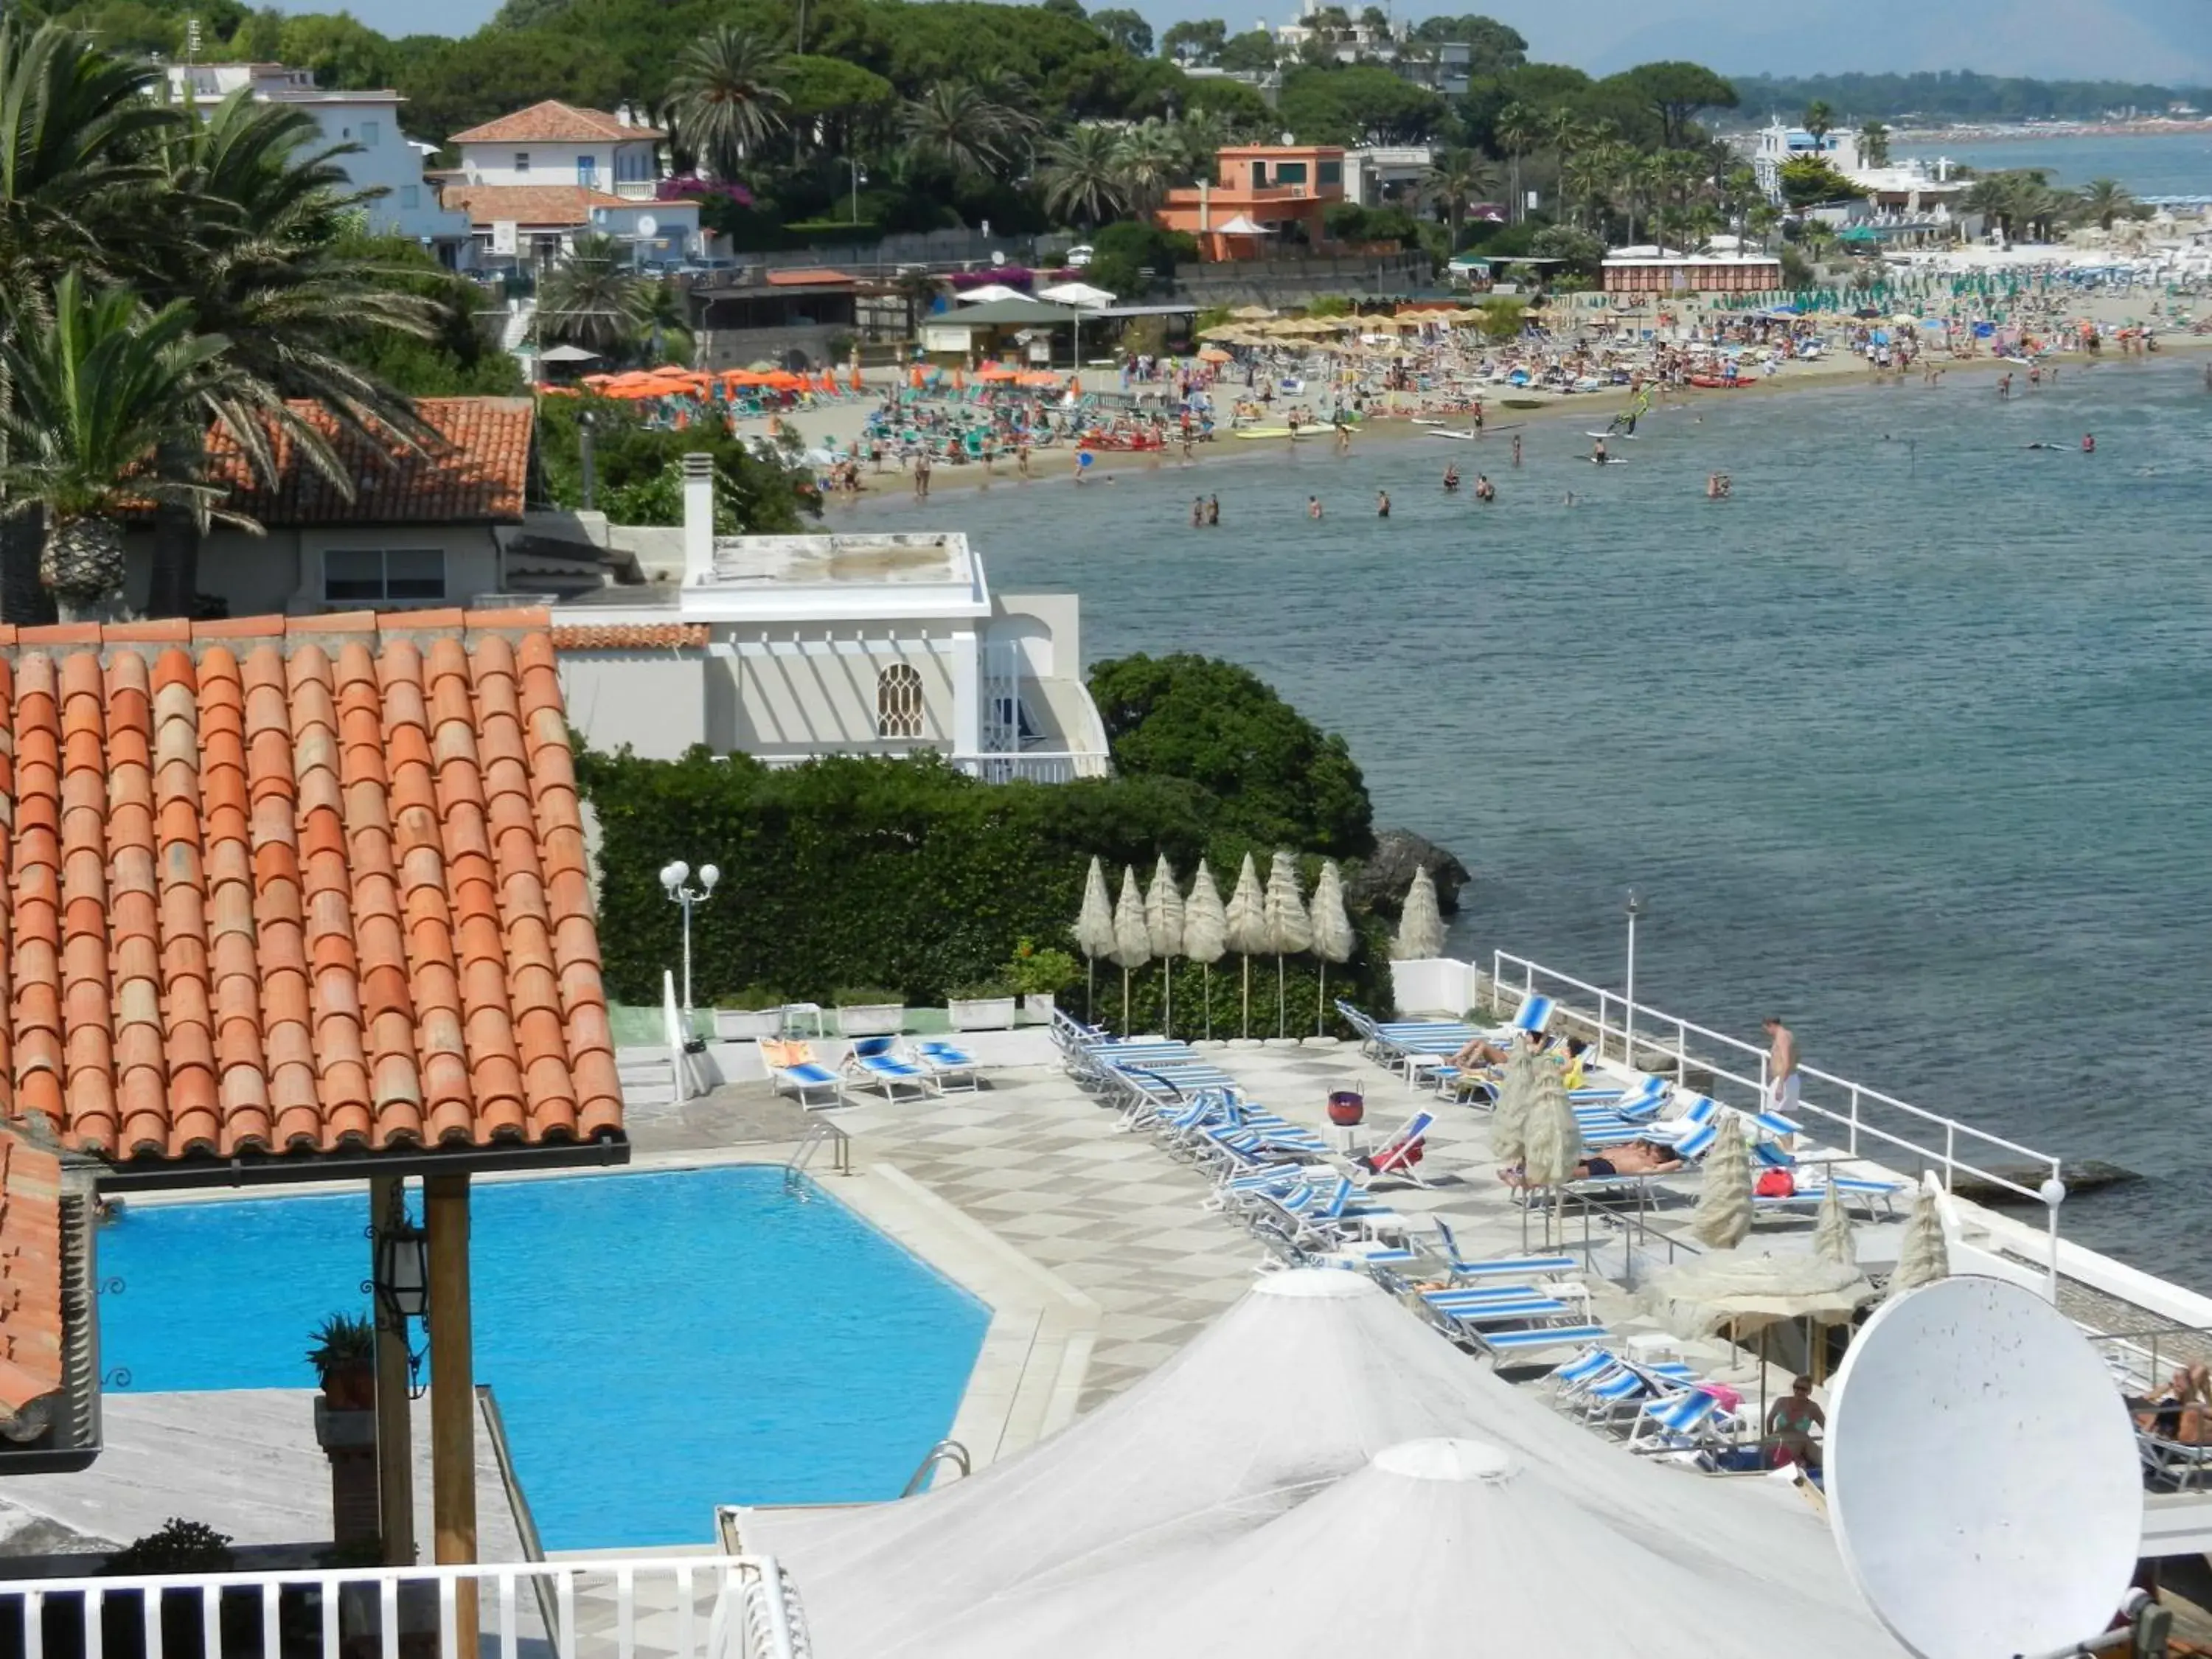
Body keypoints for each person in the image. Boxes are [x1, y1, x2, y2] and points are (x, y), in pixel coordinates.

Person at [1500, 1138, 1683, 1187]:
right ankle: (1524, 1172)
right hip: (1597, 1159)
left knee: (1565, 1173)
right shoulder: (1641, 1151)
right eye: (1653, 1148)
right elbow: (1640, 1140)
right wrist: (1645, 1143)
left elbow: (1677, 1164)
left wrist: (1678, 1159)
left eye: (1655, 1151)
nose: (1651, 1150)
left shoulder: (1652, 1166)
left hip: (1607, 1168)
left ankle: (1523, 1181)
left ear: (1660, 1158)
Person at [1766, 1375, 1827, 1470]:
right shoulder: (1781, 1402)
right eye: (1796, 1387)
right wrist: (1771, 1436)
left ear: (1810, 1391)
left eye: (1803, 1389)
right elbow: (1769, 1420)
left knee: (1823, 1459)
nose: (1799, 1391)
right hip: (1779, 1439)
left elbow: (1826, 1428)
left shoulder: (1813, 1408)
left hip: (1800, 1443)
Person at [1764, 1015, 1801, 1119]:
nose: (1767, 1033)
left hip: (1784, 1080)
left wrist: (1780, 1085)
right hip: (1789, 1078)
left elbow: (1786, 1062)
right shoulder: (1789, 1035)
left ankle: (1783, 1136)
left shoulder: (1782, 1037)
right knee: (1780, 1118)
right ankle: (1783, 1136)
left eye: (1767, 1029)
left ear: (1771, 1025)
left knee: (1774, 1117)